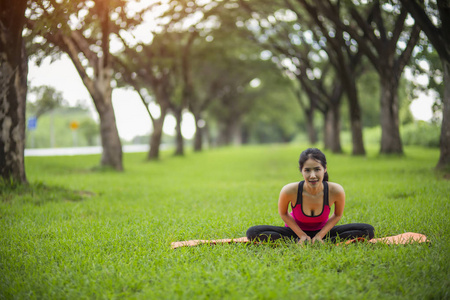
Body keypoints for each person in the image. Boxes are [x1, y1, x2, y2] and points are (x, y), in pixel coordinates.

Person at [246, 148, 374, 245]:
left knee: (367, 230)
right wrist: (301, 235)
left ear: (325, 169)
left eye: (317, 169)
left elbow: (337, 215)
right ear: (301, 171)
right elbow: (284, 214)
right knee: (253, 232)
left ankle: (320, 241)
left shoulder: (335, 190)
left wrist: (320, 235)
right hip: (294, 232)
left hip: (324, 232)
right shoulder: (289, 190)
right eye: (307, 170)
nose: (312, 175)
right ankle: (301, 240)